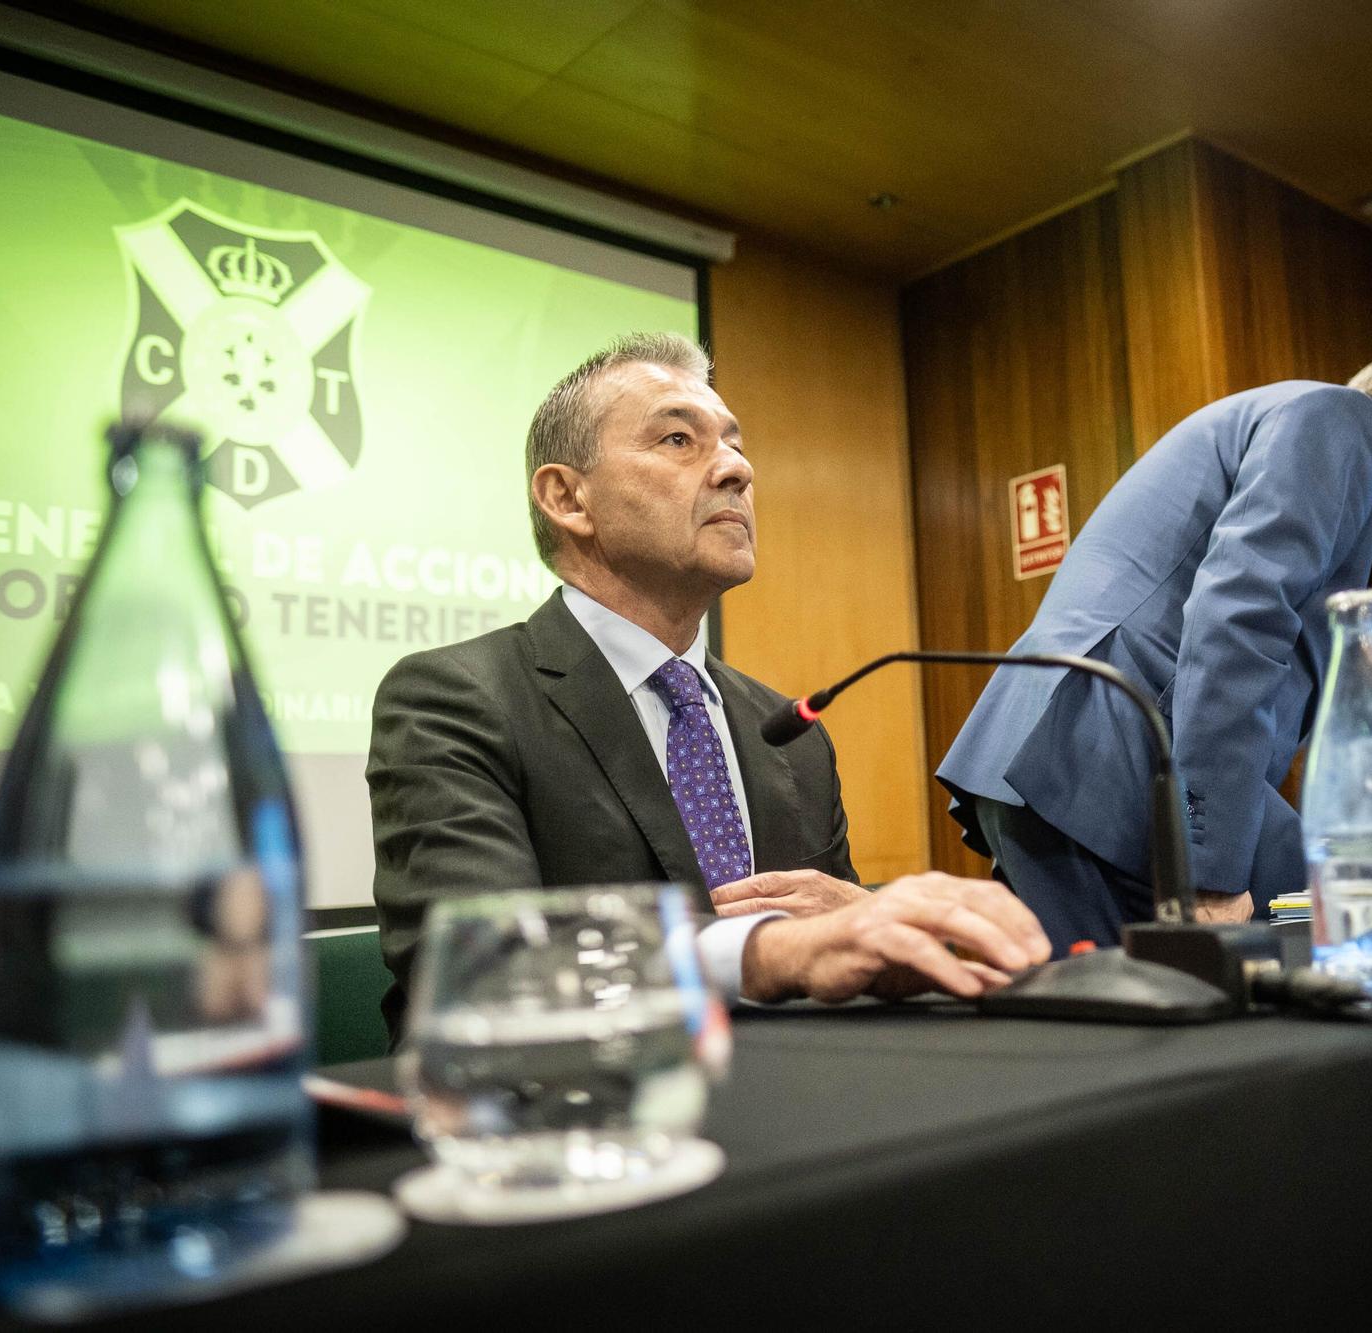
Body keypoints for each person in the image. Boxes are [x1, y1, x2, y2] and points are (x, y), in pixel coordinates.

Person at [367, 332, 1048, 1037]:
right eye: (677, 440)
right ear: (568, 497)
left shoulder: (788, 730)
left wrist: (866, 921)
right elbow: (479, 970)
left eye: (734, 442)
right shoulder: (456, 698)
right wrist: (768, 951)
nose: (736, 469)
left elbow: (829, 961)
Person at [938, 345, 1372, 948]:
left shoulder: (1284, 412)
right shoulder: (1343, 420)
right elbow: (1239, 619)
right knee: (1369, 944)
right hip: (1113, 760)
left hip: (1067, 753)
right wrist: (1214, 867)